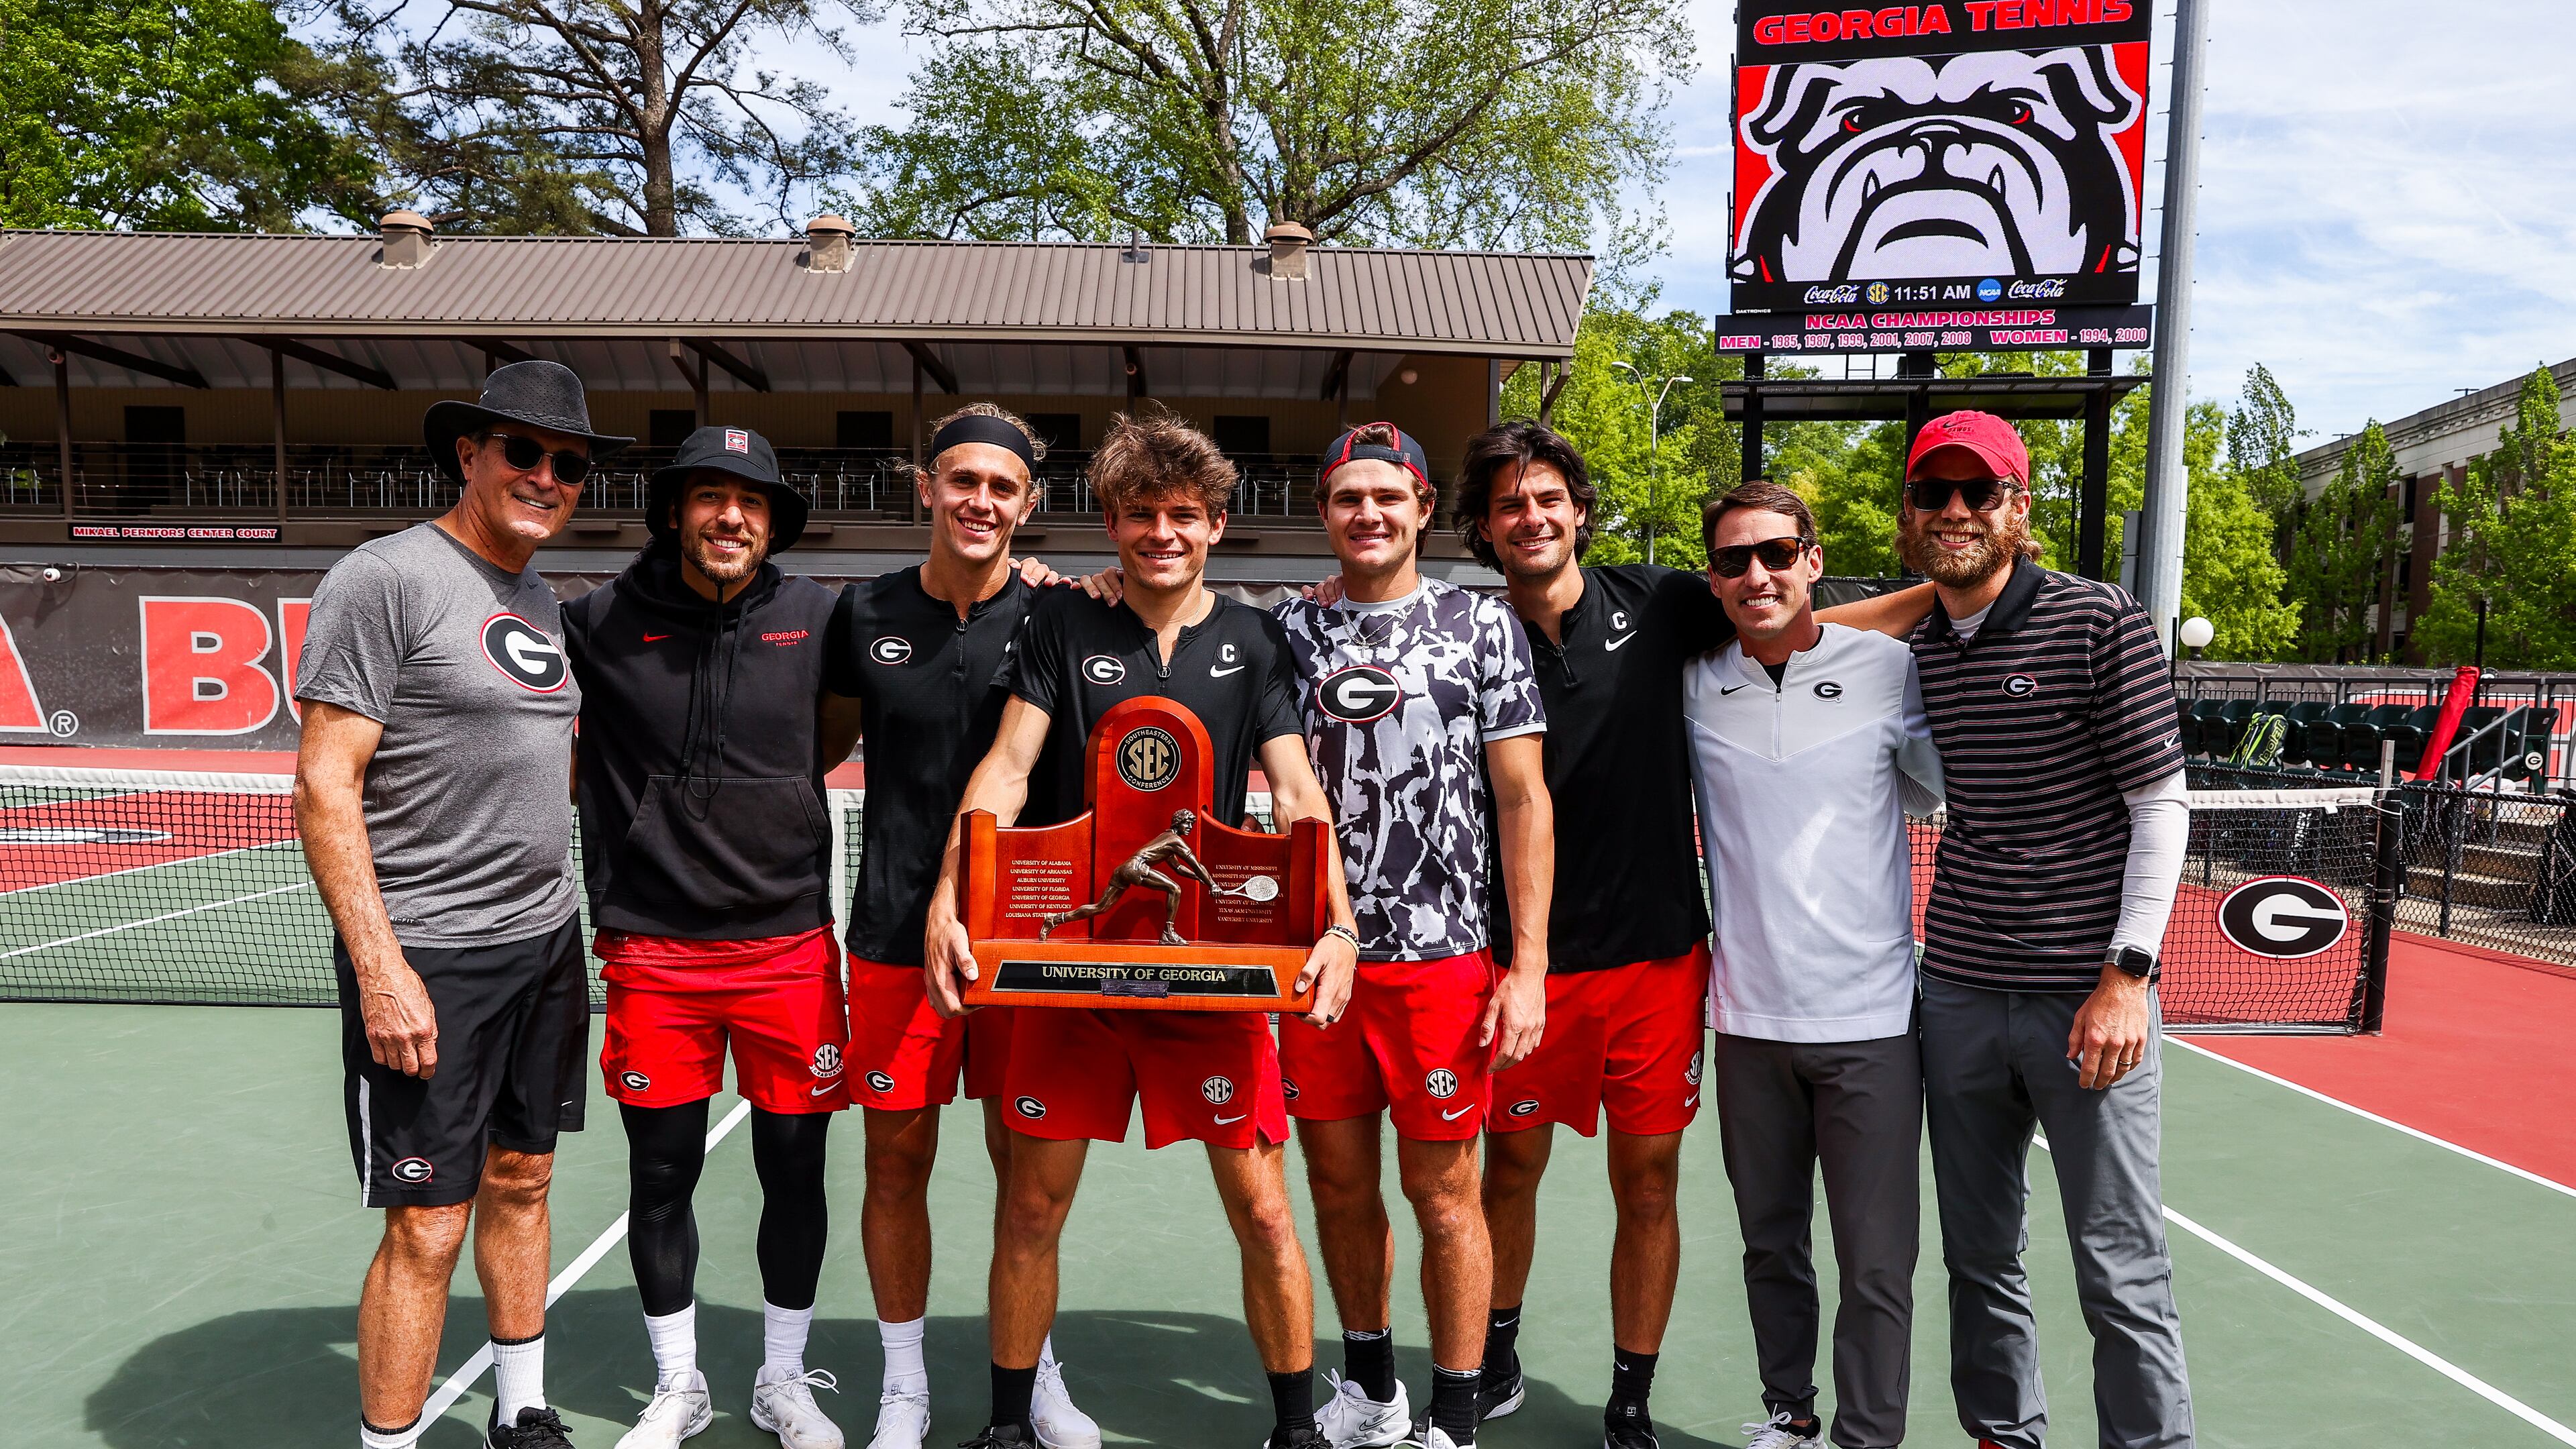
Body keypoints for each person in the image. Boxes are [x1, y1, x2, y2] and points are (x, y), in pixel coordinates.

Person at [1444, 425, 1935, 1449]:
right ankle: (1497, 1352)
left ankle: (1631, 1396)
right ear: (1484, 529)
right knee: (1512, 1173)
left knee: (1651, 1183)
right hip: (1523, 963)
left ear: (1579, 511)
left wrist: (1959, 591)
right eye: (1507, 505)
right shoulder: (1467, 636)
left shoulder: (1661, 604)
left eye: (1548, 499)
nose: (1531, 518)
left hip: (1662, 965)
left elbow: (1801, 618)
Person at [921, 408, 1363, 1449]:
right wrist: (953, 890)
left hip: (1209, 972)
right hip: (1074, 968)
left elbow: (1300, 794)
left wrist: (1337, 927)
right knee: (1031, 1207)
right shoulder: (1066, 623)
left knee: (1262, 1211)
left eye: (1182, 515)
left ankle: (1297, 1430)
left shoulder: (1255, 639)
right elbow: (1008, 767)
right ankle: (1005, 1427)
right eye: (1139, 516)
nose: (1161, 534)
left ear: (1216, 522)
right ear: (1110, 525)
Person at [294, 360, 625, 1449]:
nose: (545, 475)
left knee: (524, 1181)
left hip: (543, 943)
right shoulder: (385, 578)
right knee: (427, 1226)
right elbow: (325, 782)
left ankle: (522, 1409)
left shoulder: (545, 601)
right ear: (467, 456)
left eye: (567, 463)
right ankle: (387, 1441)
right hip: (429, 953)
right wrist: (383, 968)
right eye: (522, 453)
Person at [1898, 411, 2193, 1449]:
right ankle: (2002, 1436)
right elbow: (1803, 629)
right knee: (1979, 1258)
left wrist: (2127, 979)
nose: (1956, 511)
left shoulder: (2100, 622)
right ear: (1910, 511)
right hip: (1962, 996)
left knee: (2119, 1267)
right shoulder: (1918, 647)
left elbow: (2162, 805)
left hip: (2089, 1005)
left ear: (2019, 508)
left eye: (1980, 493)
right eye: (1933, 493)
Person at [560, 426, 850, 1449]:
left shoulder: (821, 617)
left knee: (795, 1174)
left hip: (789, 950)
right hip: (654, 953)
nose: (733, 517)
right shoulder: (595, 623)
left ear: (775, 523)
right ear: (675, 510)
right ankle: (678, 1385)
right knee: (661, 1176)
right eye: (711, 497)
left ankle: (782, 1377)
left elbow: (849, 722)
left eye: (754, 503)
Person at [816, 405, 1099, 1449]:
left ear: (1030, 502)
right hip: (895, 936)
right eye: (962, 480)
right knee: (896, 1166)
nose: (981, 501)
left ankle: (1038, 1368)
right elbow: (816, 745)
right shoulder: (865, 612)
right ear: (925, 487)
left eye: (1003, 486)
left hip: (1033, 942)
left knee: (1028, 1178)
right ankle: (903, 1386)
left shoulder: (1068, 615)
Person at [1271, 423, 1552, 1449]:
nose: (1370, 514)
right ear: (1326, 513)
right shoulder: (1286, 630)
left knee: (1445, 1195)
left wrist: (1527, 969)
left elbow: (1524, 802)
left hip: (1443, 964)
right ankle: (1374, 1391)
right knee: (1338, 1184)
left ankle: (1459, 1412)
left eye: (1389, 496)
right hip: (1319, 963)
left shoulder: (1482, 628)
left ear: (1425, 508)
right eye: (1350, 497)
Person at [1683, 482, 1943, 1449]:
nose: (1758, 574)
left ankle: (1868, 1437)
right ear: (1711, 580)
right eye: (1735, 560)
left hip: (1872, 1025)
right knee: (1771, 1248)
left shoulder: (1889, 672)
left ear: (1814, 560)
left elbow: (1939, 791)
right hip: (1746, 1025)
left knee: (1878, 1263)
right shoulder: (1693, 680)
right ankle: (1789, 1415)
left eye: (1778, 554)